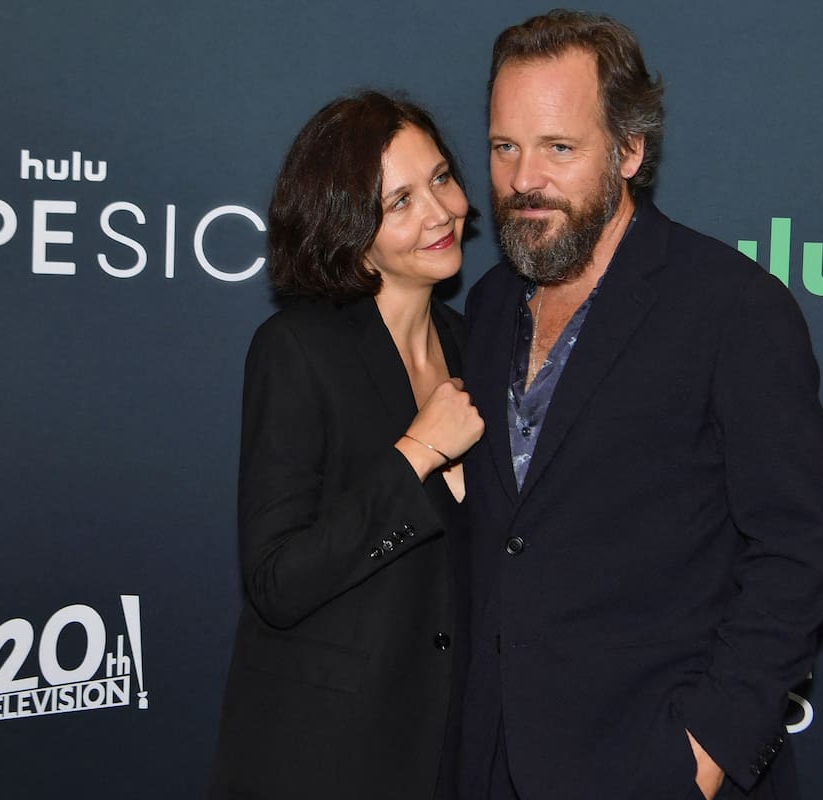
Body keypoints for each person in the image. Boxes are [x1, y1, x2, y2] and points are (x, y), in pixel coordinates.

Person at [459, 11, 823, 800]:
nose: (524, 178)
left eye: (559, 148)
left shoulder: (732, 308)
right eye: (505, 147)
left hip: (651, 762)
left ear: (629, 151)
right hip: (494, 760)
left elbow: (796, 551)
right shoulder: (492, 303)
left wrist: (702, 752)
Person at [209, 91, 484, 800]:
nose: (440, 211)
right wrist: (416, 454)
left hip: (445, 746)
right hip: (323, 753)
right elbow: (277, 580)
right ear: (347, 227)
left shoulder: (474, 348)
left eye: (442, 178)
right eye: (399, 202)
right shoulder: (299, 349)